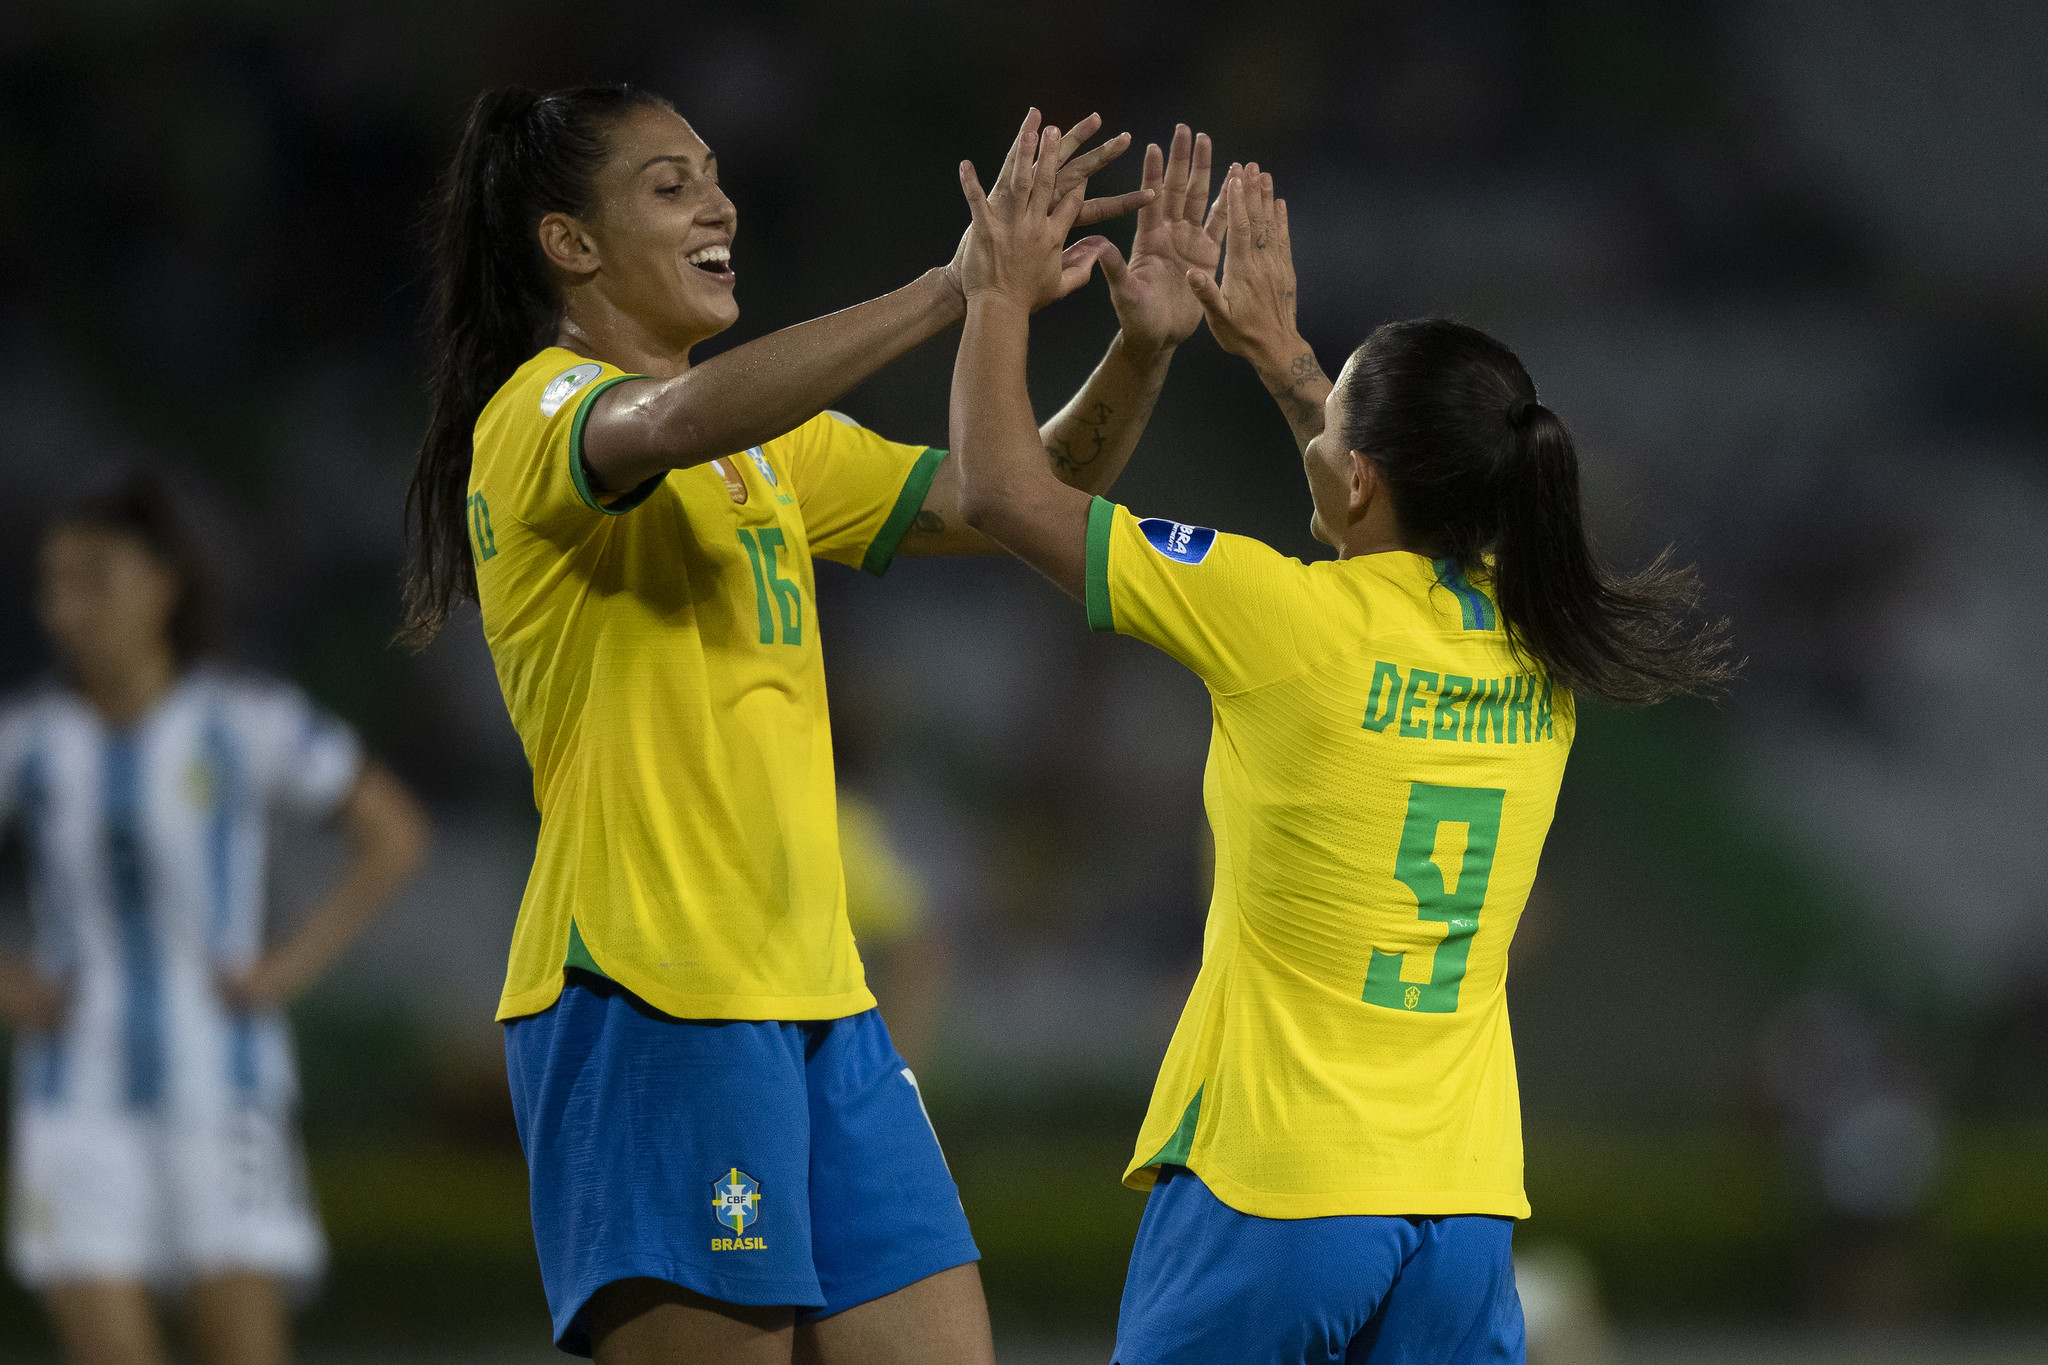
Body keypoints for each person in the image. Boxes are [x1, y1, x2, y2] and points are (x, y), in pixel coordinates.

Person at [401, 83, 1227, 1363]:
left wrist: (1142, 347)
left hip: (823, 1001)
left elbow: (1008, 496)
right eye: (668, 186)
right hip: (649, 992)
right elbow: (673, 419)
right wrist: (955, 289)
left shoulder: (774, 455)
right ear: (567, 243)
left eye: (715, 176)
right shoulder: (536, 416)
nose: (718, 203)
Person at [946, 131, 1733, 1364]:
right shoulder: (1541, 650)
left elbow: (998, 490)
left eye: (1329, 440)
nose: (1310, 447)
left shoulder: (1278, 618)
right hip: (1462, 1205)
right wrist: (1291, 364)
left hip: (1278, 1185)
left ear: (1358, 479)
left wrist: (993, 293)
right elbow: (1397, 502)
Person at [0, 470, 430, 1365]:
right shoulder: (30, 741)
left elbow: (392, 831)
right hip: (74, 1098)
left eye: (93, 578)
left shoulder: (246, 721)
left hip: (224, 1087)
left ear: (164, 583)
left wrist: (290, 966)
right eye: (52, 584)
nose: (66, 608)